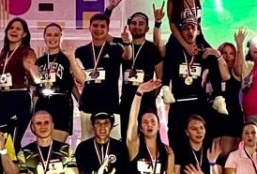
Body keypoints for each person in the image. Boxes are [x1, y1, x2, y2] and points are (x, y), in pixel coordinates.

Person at [160, 18, 227, 146]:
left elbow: (220, 76)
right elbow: (164, 60)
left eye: (193, 28)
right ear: (180, 33)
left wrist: (217, 95)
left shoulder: (205, 53)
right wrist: (165, 86)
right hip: (178, 105)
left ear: (198, 31)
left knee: (201, 141)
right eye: (186, 28)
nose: (190, 31)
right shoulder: (174, 52)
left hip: (199, 104)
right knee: (176, 141)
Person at [28, 23, 85, 141]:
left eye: (56, 35)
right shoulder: (39, 61)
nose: (52, 38)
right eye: (49, 35)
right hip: (42, 103)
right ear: (44, 37)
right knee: (44, 143)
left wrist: (80, 100)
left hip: (62, 103)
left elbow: (73, 82)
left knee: (57, 145)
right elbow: (36, 90)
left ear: (61, 37)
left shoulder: (68, 58)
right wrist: (33, 113)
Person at [75, 12, 125, 140]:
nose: (98, 29)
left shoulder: (116, 50)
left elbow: (130, 50)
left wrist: (116, 39)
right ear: (89, 27)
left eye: (103, 26)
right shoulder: (80, 52)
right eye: (95, 25)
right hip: (87, 108)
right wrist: (79, 99)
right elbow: (75, 78)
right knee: (87, 146)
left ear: (108, 30)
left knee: (113, 147)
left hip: (111, 107)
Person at [125, 80, 173, 174]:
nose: (149, 125)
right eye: (145, 122)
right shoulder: (135, 145)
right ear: (140, 128)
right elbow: (132, 121)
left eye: (153, 121)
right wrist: (139, 93)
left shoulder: (167, 151)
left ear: (159, 126)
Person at [117, 11, 164, 134]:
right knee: (126, 137)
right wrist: (109, 9)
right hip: (127, 102)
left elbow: (160, 76)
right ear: (129, 26)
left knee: (148, 137)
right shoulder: (122, 45)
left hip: (147, 103)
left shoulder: (152, 49)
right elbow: (105, 36)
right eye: (133, 23)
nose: (137, 26)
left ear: (147, 28)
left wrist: (151, 96)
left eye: (141, 24)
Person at [0, 17, 36, 148]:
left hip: (19, 98)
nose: (14, 31)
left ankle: (16, 162)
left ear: (24, 34)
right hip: (3, 98)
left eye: (18, 29)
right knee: (3, 140)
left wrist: (30, 68)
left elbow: (37, 78)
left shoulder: (27, 52)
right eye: (11, 28)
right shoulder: (4, 53)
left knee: (13, 140)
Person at [212, 36, 245, 156]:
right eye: (224, 53)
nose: (227, 56)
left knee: (229, 154)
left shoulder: (235, 73)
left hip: (232, 117)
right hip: (215, 117)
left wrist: (239, 44)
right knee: (215, 154)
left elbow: (238, 68)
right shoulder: (213, 73)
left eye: (231, 54)